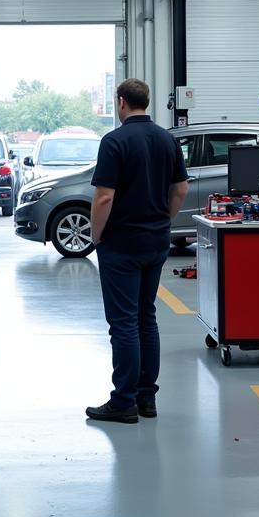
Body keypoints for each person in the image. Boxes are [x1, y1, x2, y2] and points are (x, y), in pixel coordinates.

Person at [86, 79, 189, 424]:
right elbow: (181, 190)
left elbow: (103, 197)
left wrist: (96, 236)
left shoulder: (114, 141)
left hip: (121, 244)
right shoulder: (166, 139)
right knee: (147, 317)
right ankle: (147, 398)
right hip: (155, 242)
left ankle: (123, 401)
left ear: (121, 103)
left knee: (124, 323)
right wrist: (164, 222)